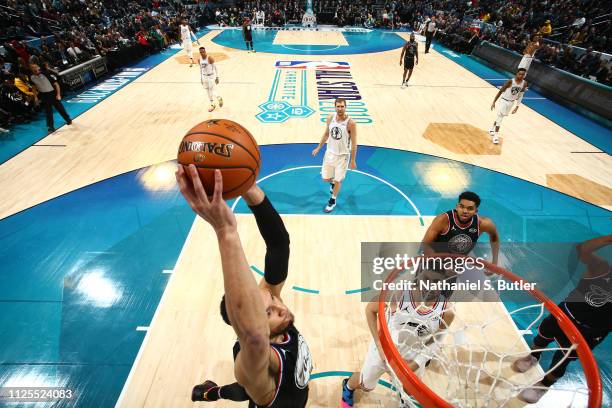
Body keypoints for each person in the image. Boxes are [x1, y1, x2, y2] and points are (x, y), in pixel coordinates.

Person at [177, 166, 313, 407]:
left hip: (290, 394)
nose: (280, 306)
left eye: (273, 300)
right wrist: (225, 231)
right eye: (268, 312)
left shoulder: (274, 316)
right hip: (268, 393)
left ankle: (211, 392)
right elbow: (253, 335)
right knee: (246, 390)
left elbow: (279, 245)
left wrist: (248, 188)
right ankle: (211, 393)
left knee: (244, 390)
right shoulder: (255, 356)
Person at [512, 235, 611, 403]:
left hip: (590, 332)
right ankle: (533, 357)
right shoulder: (602, 269)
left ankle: (544, 385)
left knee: (562, 360)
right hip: (565, 315)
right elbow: (583, 249)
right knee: (541, 338)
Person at [340, 265, 455, 407]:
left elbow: (436, 341)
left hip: (413, 356)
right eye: (426, 279)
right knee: (365, 384)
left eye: (436, 282)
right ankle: (348, 386)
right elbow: (370, 310)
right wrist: (379, 344)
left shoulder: (447, 311)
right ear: (419, 278)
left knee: (408, 390)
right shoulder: (399, 294)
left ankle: (404, 402)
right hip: (385, 351)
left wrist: (416, 364)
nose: (430, 286)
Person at [311, 98, 357, 213]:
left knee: (338, 181)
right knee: (326, 178)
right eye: (338, 106)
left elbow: (354, 143)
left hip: (343, 156)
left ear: (345, 107)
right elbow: (326, 134)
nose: (340, 108)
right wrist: (318, 148)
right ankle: (332, 183)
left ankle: (333, 200)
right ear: (335, 107)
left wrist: (353, 160)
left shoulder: (351, 123)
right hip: (330, 153)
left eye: (342, 106)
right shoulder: (330, 118)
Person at [28, 62, 72, 132]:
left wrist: (58, 94)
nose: (34, 69)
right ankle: (51, 126)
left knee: (60, 108)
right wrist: (35, 97)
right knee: (48, 111)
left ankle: (68, 119)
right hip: (43, 95)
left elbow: (56, 84)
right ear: (30, 69)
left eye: (35, 67)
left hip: (52, 93)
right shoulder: (31, 77)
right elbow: (33, 87)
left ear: (38, 67)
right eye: (32, 68)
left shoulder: (45, 73)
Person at [489, 68, 528, 144]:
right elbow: (501, 91)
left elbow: (520, 95)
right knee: (500, 117)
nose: (521, 75)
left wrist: (517, 107)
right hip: (504, 100)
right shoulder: (510, 81)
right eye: (520, 74)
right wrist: (494, 101)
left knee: (500, 116)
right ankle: (496, 136)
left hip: (511, 102)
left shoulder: (524, 83)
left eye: (523, 74)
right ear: (517, 74)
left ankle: (492, 128)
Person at [198, 47, 223, 112]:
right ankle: (212, 104)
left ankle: (219, 98)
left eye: (203, 52)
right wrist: (201, 78)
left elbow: (215, 67)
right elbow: (201, 69)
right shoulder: (199, 59)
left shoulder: (209, 58)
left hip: (211, 76)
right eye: (201, 52)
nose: (202, 53)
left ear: (205, 51)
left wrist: (217, 77)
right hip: (204, 77)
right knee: (207, 91)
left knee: (212, 90)